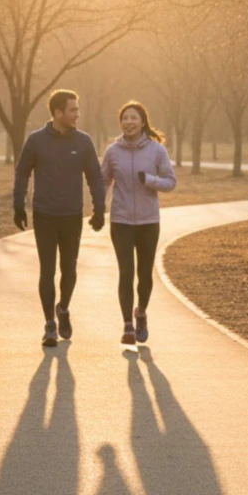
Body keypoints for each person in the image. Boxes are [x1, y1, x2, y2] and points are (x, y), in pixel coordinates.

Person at [13, 89, 105, 347]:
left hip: (71, 215)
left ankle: (63, 308)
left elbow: (95, 177)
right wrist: (18, 205)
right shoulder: (36, 141)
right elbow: (22, 173)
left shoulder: (83, 142)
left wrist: (99, 208)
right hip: (44, 214)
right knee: (47, 269)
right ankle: (49, 325)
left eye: (77, 109)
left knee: (70, 269)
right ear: (57, 113)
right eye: (73, 110)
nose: (78, 114)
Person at [100, 101, 177, 344]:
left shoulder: (156, 151)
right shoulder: (113, 151)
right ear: (120, 123)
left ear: (143, 122)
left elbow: (170, 182)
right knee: (126, 272)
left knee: (144, 274)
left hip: (148, 220)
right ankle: (127, 326)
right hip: (121, 220)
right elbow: (104, 181)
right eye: (125, 118)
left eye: (134, 118)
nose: (129, 122)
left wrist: (150, 180)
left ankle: (141, 312)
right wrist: (99, 207)